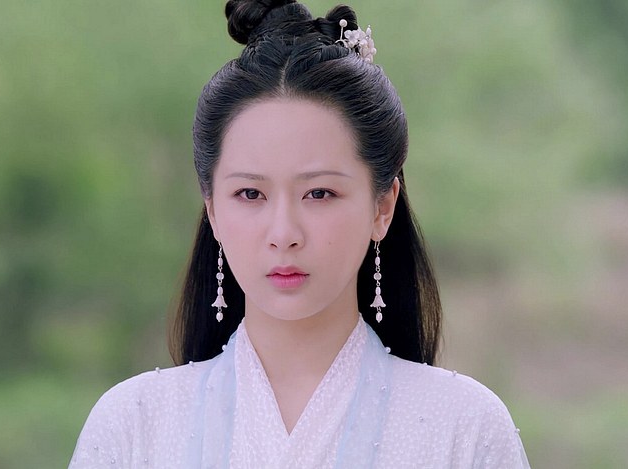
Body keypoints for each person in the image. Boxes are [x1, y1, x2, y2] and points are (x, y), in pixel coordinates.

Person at [69, 1, 530, 467]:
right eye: (250, 194)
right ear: (212, 209)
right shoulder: (134, 424)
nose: (284, 233)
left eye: (319, 193)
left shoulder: (465, 427)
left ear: (382, 206)